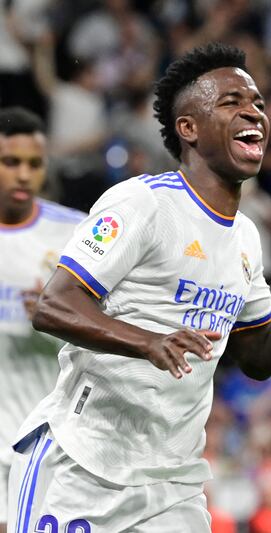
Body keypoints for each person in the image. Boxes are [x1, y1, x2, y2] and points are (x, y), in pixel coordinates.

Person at [6, 43, 271, 531]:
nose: (253, 111)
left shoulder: (246, 236)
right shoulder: (143, 204)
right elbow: (55, 304)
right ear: (189, 129)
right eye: (231, 102)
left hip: (171, 483)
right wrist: (148, 341)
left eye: (258, 104)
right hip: (81, 466)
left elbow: (257, 352)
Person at [0, 107, 84, 533]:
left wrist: (58, 318)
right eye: (10, 162)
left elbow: (108, 326)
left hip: (50, 434)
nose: (22, 175)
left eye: (33, 164)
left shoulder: (75, 233)